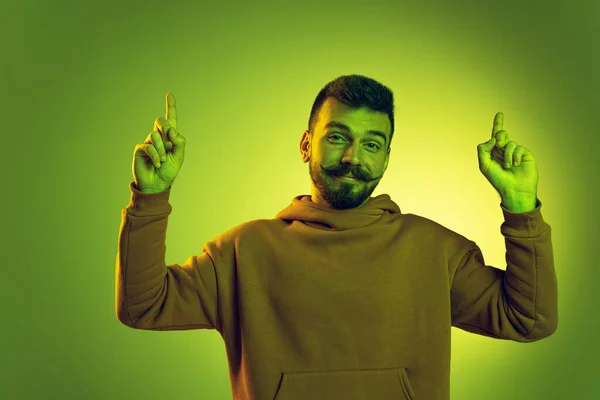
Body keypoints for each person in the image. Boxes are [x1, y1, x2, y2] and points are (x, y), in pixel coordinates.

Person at [115, 75, 558, 400]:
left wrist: (521, 204)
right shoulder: (244, 251)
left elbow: (529, 319)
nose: (352, 158)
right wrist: (150, 196)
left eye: (371, 144)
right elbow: (143, 305)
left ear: (386, 156)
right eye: (338, 137)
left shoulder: (434, 249)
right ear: (306, 145)